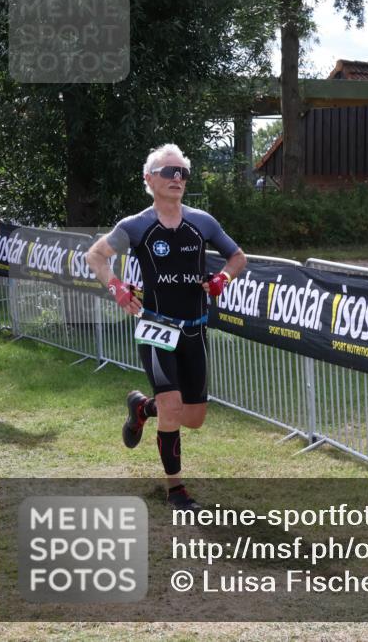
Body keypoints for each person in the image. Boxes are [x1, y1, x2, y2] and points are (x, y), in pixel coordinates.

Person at [87, 143, 246, 510]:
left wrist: (222, 278)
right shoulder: (136, 225)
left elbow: (238, 257)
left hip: (195, 328)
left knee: (194, 418)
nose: (177, 178)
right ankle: (177, 490)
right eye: (168, 172)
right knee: (172, 408)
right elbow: (96, 255)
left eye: (182, 173)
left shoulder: (202, 221)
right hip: (156, 326)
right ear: (149, 179)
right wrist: (118, 288)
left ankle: (143, 409)